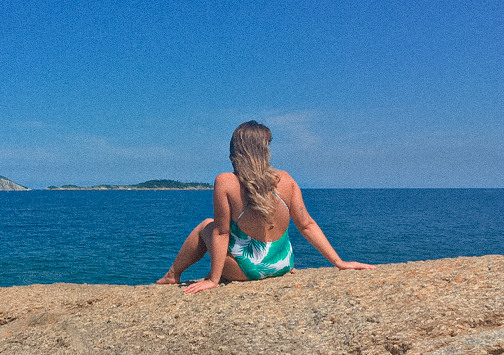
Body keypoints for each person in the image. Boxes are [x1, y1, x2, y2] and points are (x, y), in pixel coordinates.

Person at [157, 121, 375, 294]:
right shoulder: (286, 180)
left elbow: (221, 232)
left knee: (207, 225)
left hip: (248, 270)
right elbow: (306, 224)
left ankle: (172, 275)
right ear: (264, 151)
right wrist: (339, 262)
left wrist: (214, 280)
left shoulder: (226, 181)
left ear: (236, 151)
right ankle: (174, 275)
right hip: (283, 264)